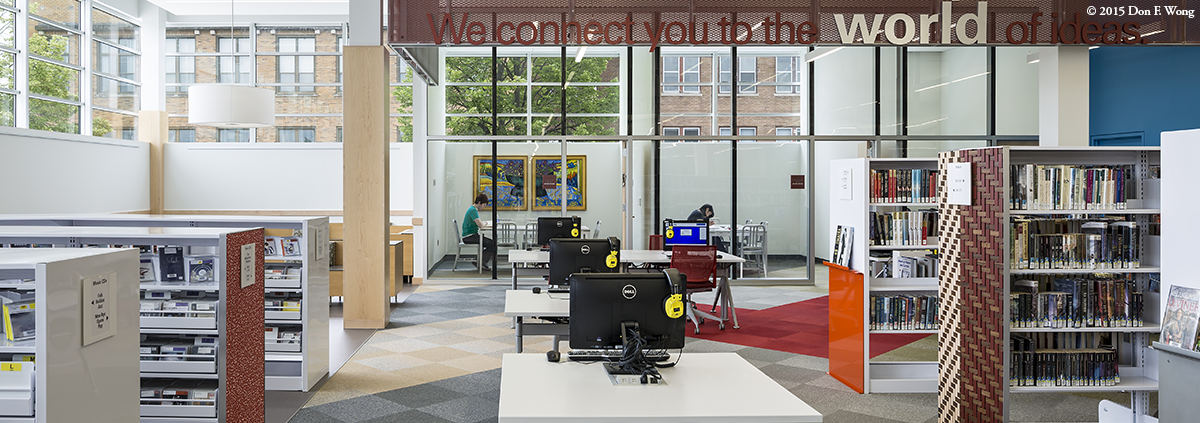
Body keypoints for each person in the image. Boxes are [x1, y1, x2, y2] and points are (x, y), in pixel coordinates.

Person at [462, 193, 496, 271]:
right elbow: (480, 225)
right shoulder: (473, 210)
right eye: (483, 205)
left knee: (491, 243)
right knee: (493, 244)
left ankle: (479, 261)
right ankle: (480, 262)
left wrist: (483, 223)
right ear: (479, 202)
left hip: (470, 235)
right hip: (469, 237)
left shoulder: (472, 209)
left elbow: (479, 223)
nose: (483, 207)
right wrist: (485, 223)